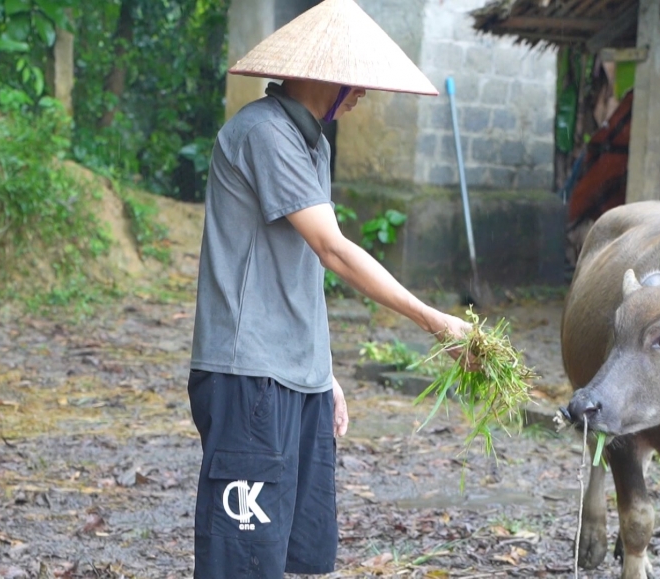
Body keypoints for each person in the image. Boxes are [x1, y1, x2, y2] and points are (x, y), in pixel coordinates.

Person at [186, 1, 470, 576]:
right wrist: (436, 322)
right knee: (244, 556)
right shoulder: (264, 134)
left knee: (300, 548)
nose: (363, 93)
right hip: (250, 375)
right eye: (355, 79)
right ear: (321, 74)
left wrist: (323, 370)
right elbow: (333, 250)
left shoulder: (311, 141)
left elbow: (294, 269)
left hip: (295, 375)